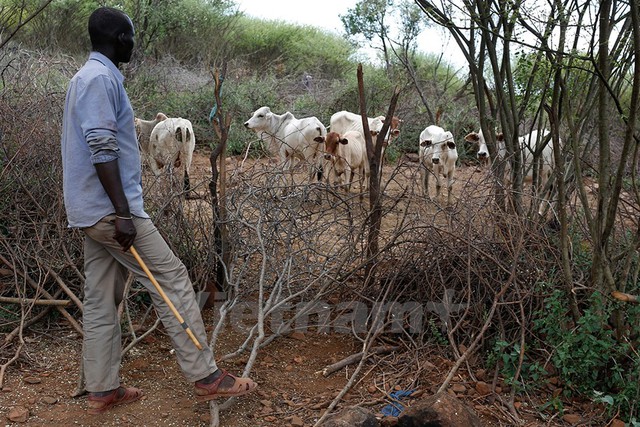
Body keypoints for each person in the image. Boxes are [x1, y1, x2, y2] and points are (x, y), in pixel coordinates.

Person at [61, 6, 257, 414]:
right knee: (171, 279)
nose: (133, 42)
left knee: (100, 299)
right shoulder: (99, 80)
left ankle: (101, 389)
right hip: (111, 213)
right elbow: (101, 146)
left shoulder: (90, 77)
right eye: (130, 36)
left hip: (89, 212)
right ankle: (206, 376)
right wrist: (124, 213)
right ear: (118, 39)